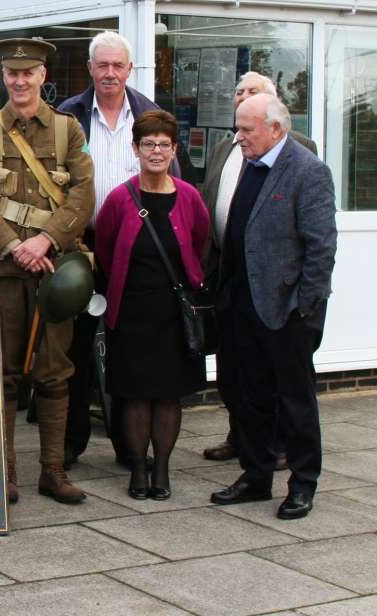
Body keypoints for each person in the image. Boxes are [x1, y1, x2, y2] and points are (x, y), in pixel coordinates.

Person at [0, 38, 95, 504]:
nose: (19, 81)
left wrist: (45, 240)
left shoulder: (67, 131)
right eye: (12, 73)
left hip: (55, 271)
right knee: (3, 374)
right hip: (2, 271)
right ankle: (6, 471)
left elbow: (83, 194)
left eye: (28, 73)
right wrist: (16, 246)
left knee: (55, 372)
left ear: (42, 77)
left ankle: (53, 472)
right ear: (4, 77)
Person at [210, 93, 337, 520]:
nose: (238, 137)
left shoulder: (308, 171)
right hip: (240, 303)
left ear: (276, 129)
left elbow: (321, 248)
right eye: (238, 127)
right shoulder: (250, 162)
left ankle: (302, 484)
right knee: (248, 396)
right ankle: (255, 474)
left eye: (247, 129)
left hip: (286, 310)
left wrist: (305, 308)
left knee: (295, 402)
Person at [55, 31, 178, 467]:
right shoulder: (67, 116)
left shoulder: (151, 116)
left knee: (129, 349)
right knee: (73, 351)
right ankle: (69, 444)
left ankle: (130, 447)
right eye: (101, 65)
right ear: (90, 69)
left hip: (135, 252)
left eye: (117, 65)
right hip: (79, 247)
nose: (110, 73)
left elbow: (174, 189)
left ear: (129, 69)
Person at [200, 71, 317, 467]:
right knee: (238, 375)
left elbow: (318, 242)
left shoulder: (300, 156)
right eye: (238, 92)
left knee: (284, 384)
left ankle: (285, 452)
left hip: (279, 293)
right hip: (231, 281)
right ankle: (246, 445)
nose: (241, 97)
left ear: (274, 120)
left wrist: (307, 304)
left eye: (252, 93)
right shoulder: (226, 149)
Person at [94, 110, 210, 500]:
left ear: (174, 150)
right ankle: (138, 468)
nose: (156, 151)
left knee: (167, 394)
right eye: (148, 144)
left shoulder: (190, 197)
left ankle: (161, 467)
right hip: (130, 311)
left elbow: (199, 243)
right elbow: (106, 252)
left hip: (172, 312)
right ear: (135, 149)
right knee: (136, 394)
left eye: (164, 144)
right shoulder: (118, 199)